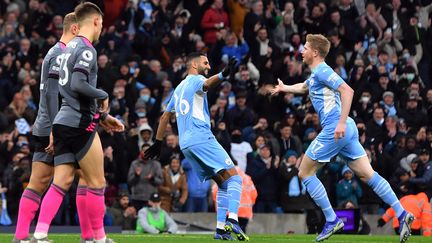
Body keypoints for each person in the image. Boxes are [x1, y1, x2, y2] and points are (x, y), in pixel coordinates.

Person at [270, 34, 413, 243]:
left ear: (315, 52)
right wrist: (284, 88)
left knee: (304, 172)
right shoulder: (316, 74)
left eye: (306, 48)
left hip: (336, 128)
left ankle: (331, 219)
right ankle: (402, 214)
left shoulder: (323, 70)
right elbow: (304, 87)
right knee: (367, 175)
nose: (302, 51)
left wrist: (340, 123)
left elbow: (348, 90)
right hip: (348, 129)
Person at [32, 3, 124, 243]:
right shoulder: (86, 48)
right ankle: (99, 239)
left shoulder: (65, 48)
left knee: (61, 181)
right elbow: (78, 84)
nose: (102, 28)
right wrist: (103, 95)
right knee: (97, 182)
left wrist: (102, 116)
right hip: (79, 122)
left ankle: (40, 234)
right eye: (102, 23)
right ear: (95, 21)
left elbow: (64, 90)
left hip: (62, 122)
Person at [144, 52, 249, 241]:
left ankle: (220, 230)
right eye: (205, 63)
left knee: (223, 183)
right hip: (201, 138)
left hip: (186, 145)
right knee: (235, 179)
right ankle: (233, 220)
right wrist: (224, 74)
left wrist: (158, 142)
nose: (208, 67)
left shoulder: (178, 89)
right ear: (194, 65)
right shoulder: (196, 80)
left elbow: (165, 117)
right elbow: (208, 83)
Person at [12, 13, 79, 243]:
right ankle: (42, 234)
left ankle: (20, 236)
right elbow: (52, 94)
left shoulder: (56, 52)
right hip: (55, 126)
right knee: (69, 179)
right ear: (75, 29)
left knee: (39, 181)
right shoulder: (61, 53)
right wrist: (55, 128)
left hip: (46, 124)